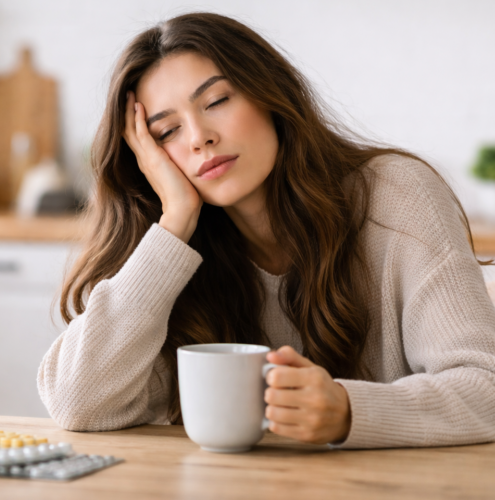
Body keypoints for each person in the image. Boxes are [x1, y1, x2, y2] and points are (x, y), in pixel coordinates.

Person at [37, 12, 495, 448]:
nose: (199, 137)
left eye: (217, 101)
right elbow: (79, 403)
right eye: (166, 132)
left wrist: (349, 411)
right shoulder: (169, 252)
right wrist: (175, 221)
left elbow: (485, 388)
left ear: (270, 93)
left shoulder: (397, 195)